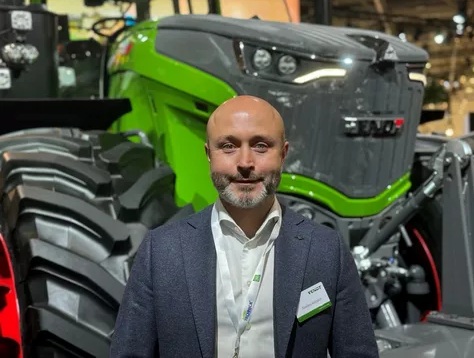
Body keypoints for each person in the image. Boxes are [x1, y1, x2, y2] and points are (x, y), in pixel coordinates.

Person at [109, 95, 379, 358]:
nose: (245, 163)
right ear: (208, 154)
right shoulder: (162, 251)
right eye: (228, 146)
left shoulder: (326, 250)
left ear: (283, 154)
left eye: (261, 146)